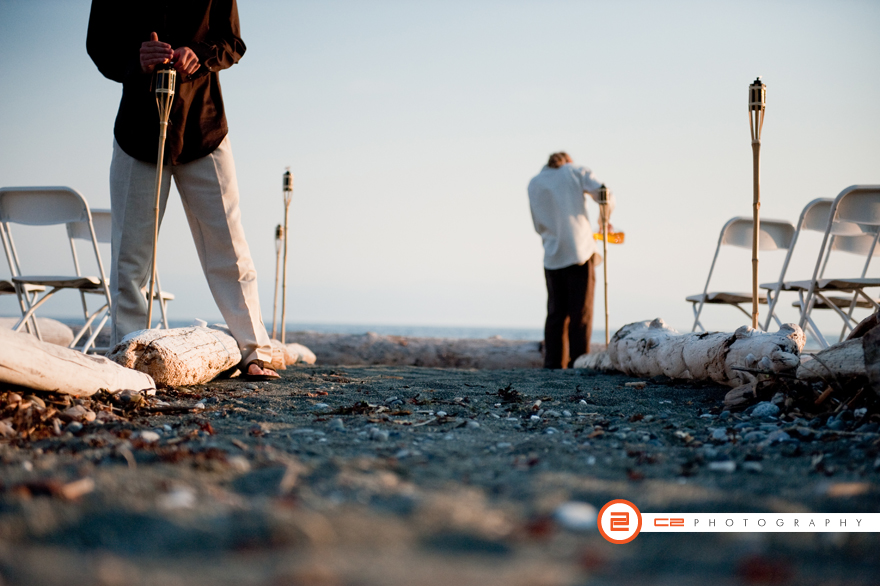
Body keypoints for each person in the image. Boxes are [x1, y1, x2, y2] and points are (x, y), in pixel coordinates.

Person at [87, 0, 278, 379]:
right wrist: (135, 58)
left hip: (203, 127)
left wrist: (200, 54)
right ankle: (125, 353)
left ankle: (254, 352)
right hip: (138, 132)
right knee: (129, 256)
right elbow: (99, 45)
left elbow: (233, 41)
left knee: (229, 247)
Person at [528, 152, 615, 368]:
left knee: (556, 315)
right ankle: (579, 363)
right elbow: (604, 192)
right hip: (579, 251)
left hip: (552, 254)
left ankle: (554, 365)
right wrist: (604, 219)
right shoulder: (575, 171)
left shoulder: (535, 182)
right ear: (568, 161)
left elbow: (537, 224)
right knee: (581, 315)